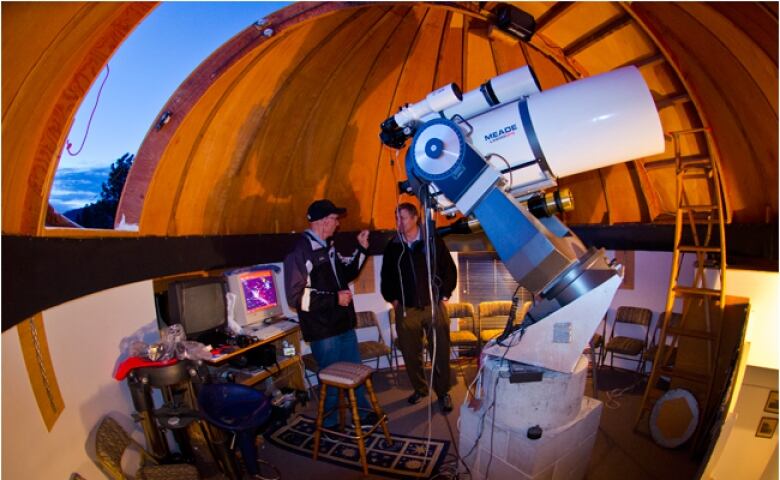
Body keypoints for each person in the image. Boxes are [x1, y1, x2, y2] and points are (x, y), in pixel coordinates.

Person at [284, 199, 376, 429]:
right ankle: (331, 423)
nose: (337, 224)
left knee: (356, 374)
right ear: (323, 222)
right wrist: (334, 298)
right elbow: (296, 298)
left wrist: (362, 249)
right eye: (335, 219)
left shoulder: (329, 246)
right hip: (324, 332)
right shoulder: (301, 251)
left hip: (343, 325)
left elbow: (348, 271)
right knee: (333, 383)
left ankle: (363, 414)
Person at [380, 202, 457, 412]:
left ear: (415, 218)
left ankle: (443, 392)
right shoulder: (393, 246)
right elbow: (386, 277)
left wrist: (445, 294)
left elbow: (449, 269)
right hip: (406, 309)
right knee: (410, 353)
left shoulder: (433, 241)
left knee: (440, 351)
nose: (399, 223)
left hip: (433, 306)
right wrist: (393, 299)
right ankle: (420, 389)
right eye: (397, 218)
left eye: (403, 218)